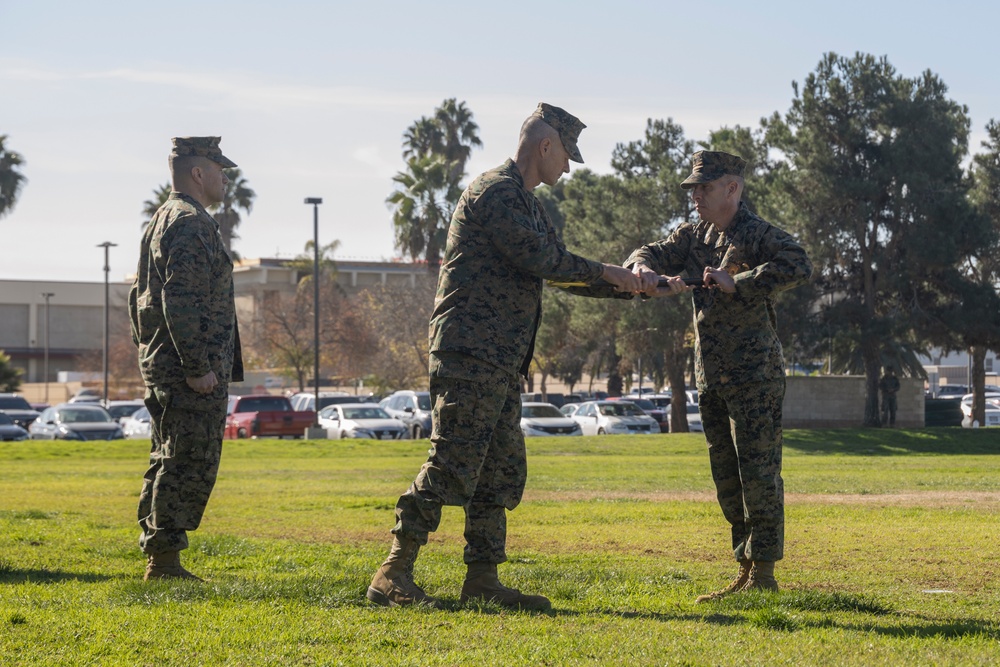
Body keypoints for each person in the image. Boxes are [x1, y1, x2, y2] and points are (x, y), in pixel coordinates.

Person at [367, 103, 642, 610]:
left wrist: (636, 288)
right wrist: (610, 270)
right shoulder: (495, 192)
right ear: (545, 146)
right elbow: (542, 258)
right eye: (566, 157)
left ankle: (483, 579)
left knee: (498, 471)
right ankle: (393, 570)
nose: (566, 168)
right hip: (470, 352)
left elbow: (556, 271)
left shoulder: (528, 203)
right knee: (452, 461)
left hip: (500, 359)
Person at [627, 150, 812, 602]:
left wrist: (742, 282)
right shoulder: (695, 235)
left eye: (704, 188)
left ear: (732, 188)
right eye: (692, 189)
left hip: (755, 376)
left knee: (760, 474)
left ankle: (765, 573)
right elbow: (651, 251)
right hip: (710, 376)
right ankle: (745, 569)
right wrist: (641, 267)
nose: (695, 197)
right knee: (726, 476)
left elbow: (799, 263)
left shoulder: (758, 233)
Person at [128, 136, 243, 581]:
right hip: (187, 371)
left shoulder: (162, 218)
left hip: (164, 364)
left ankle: (161, 553)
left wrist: (149, 352)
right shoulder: (192, 223)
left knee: (167, 456)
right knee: (187, 459)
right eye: (219, 169)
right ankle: (164, 562)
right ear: (198, 173)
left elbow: (137, 297)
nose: (224, 178)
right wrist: (197, 368)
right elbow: (181, 298)